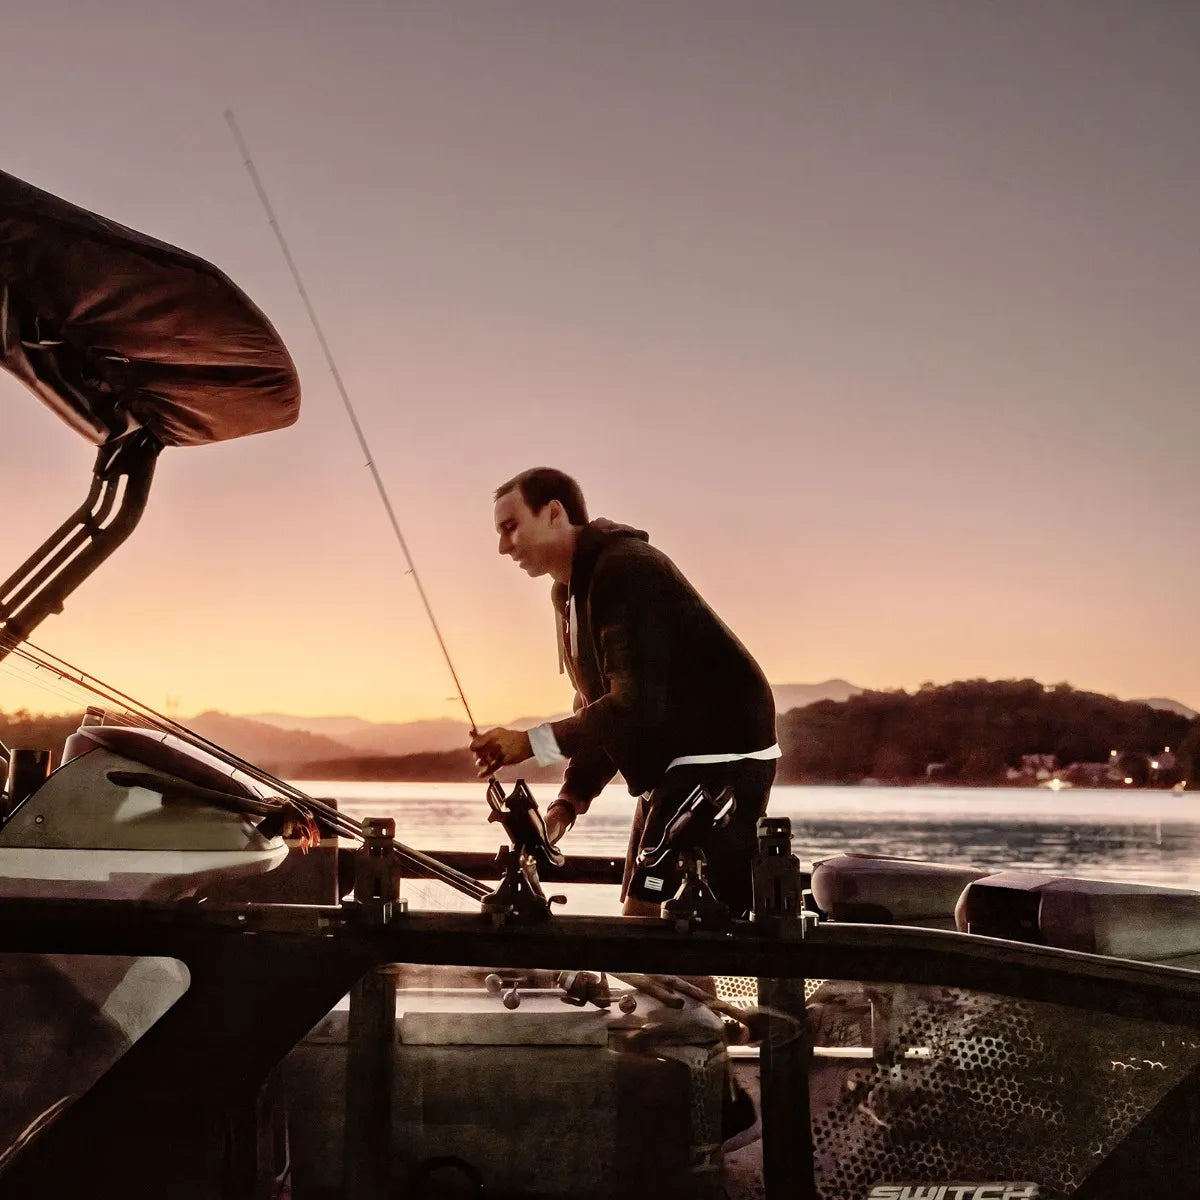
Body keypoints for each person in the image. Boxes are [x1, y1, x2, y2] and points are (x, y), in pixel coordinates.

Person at [470, 467, 778, 919]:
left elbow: (632, 708)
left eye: (511, 527)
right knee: (642, 917)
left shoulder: (625, 569)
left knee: (649, 919)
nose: (503, 547)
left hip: (720, 760)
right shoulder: (568, 592)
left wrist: (529, 743)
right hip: (669, 767)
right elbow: (604, 712)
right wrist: (568, 802)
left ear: (554, 513)